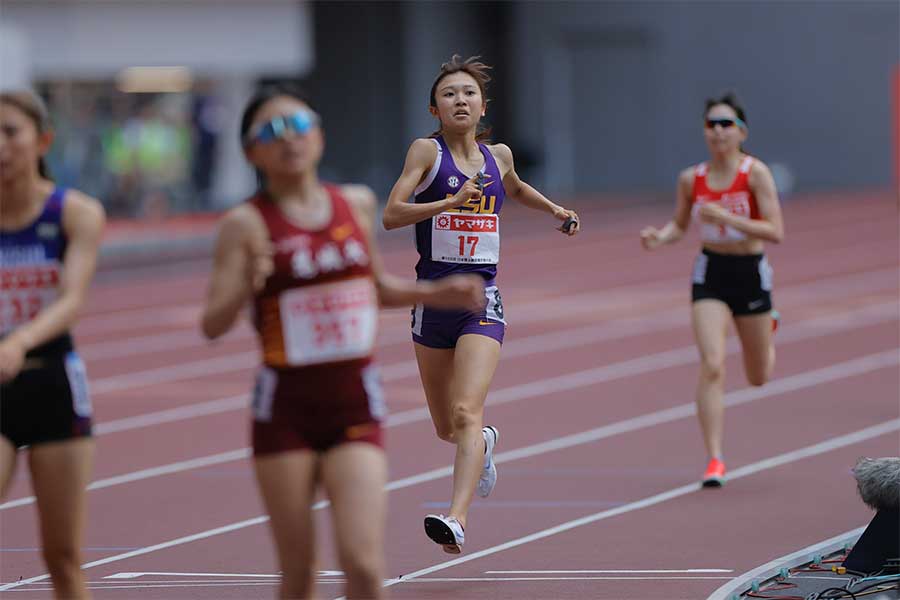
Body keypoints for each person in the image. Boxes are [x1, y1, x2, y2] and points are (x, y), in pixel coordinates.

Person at [200, 84, 485, 599]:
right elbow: (212, 324)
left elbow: (374, 287)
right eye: (272, 131)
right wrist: (247, 281)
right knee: (299, 574)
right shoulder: (244, 224)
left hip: (355, 400)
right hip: (285, 408)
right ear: (252, 152)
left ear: (320, 137)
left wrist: (437, 292)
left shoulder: (351, 203)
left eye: (301, 126)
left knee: (362, 564)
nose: (290, 140)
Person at [382, 55, 581, 553]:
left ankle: (456, 519)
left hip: (481, 303)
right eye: (449, 94)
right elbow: (391, 214)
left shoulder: (500, 157)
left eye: (468, 92)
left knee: (467, 411)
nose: (460, 100)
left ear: (482, 105)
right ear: (435, 108)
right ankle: (486, 444)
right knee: (447, 426)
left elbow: (515, 188)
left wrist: (554, 209)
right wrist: (447, 204)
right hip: (431, 303)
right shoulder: (426, 154)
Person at [639, 92, 784, 487]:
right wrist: (660, 237)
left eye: (726, 124)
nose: (718, 130)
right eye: (711, 124)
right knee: (713, 362)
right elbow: (680, 225)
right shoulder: (692, 178)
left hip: (750, 272)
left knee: (758, 376)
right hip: (711, 273)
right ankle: (715, 458)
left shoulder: (755, 174)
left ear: (741, 131)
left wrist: (728, 218)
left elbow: (776, 231)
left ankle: (767, 329)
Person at [0, 90, 106, 599]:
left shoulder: (76, 213)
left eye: (9, 132)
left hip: (52, 382)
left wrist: (19, 340)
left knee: (62, 556)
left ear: (42, 140)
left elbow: (72, 299)